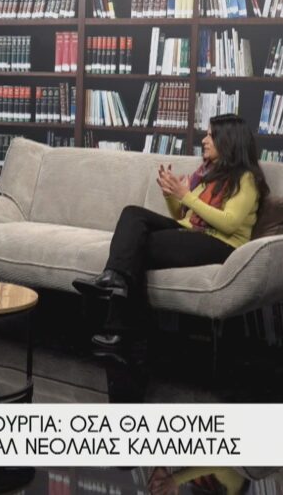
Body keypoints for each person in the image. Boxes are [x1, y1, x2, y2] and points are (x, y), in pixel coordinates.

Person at [73, 114, 269, 347]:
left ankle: (122, 323)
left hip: (221, 242)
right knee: (133, 215)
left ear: (228, 140)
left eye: (210, 135)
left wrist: (185, 195)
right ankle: (115, 279)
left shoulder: (245, 178)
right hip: (193, 231)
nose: (204, 140)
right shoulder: (208, 174)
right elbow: (181, 216)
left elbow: (229, 223)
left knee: (137, 247)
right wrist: (171, 195)